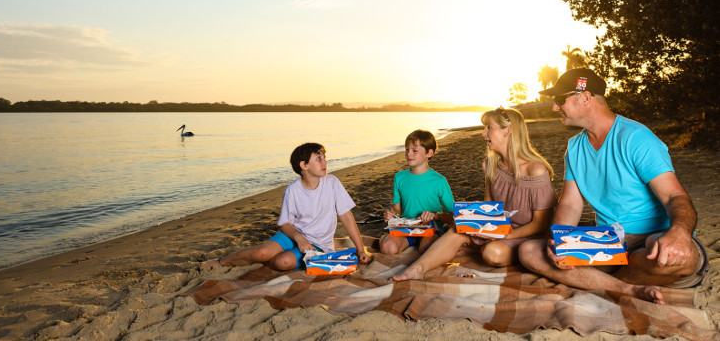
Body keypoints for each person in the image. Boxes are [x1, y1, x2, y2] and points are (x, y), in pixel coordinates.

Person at [518, 68, 709, 305]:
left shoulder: (636, 138)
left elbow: (674, 196)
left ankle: (601, 280)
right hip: (609, 240)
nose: (555, 107)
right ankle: (627, 288)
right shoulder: (574, 147)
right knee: (529, 252)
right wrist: (559, 239)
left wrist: (679, 233)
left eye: (559, 100)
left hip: (655, 237)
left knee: (671, 255)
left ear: (585, 97)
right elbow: (569, 204)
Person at [392, 108, 556, 280]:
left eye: (488, 128)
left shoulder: (535, 169)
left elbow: (539, 224)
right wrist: (473, 225)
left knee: (492, 253)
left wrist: (504, 235)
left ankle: (474, 249)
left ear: (507, 131)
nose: (483, 133)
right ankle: (417, 269)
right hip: (496, 230)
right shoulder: (490, 165)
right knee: (457, 229)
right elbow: (489, 208)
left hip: (525, 236)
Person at [201, 142, 371, 271]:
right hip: (294, 235)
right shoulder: (292, 190)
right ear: (304, 166)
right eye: (318, 158)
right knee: (261, 252)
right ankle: (221, 262)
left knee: (284, 262)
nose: (324, 162)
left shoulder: (332, 183)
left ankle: (267, 262)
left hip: (318, 245)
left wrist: (360, 249)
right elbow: (284, 223)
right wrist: (300, 239)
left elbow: (347, 217)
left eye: (324, 157)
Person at [379, 130, 454, 256]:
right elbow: (397, 210)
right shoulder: (399, 177)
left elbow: (454, 215)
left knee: (426, 250)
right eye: (407, 149)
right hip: (406, 229)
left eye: (415, 150)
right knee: (388, 248)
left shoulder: (439, 181)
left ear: (429, 153)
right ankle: (383, 238)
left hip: (431, 230)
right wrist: (391, 215)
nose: (409, 154)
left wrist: (436, 216)